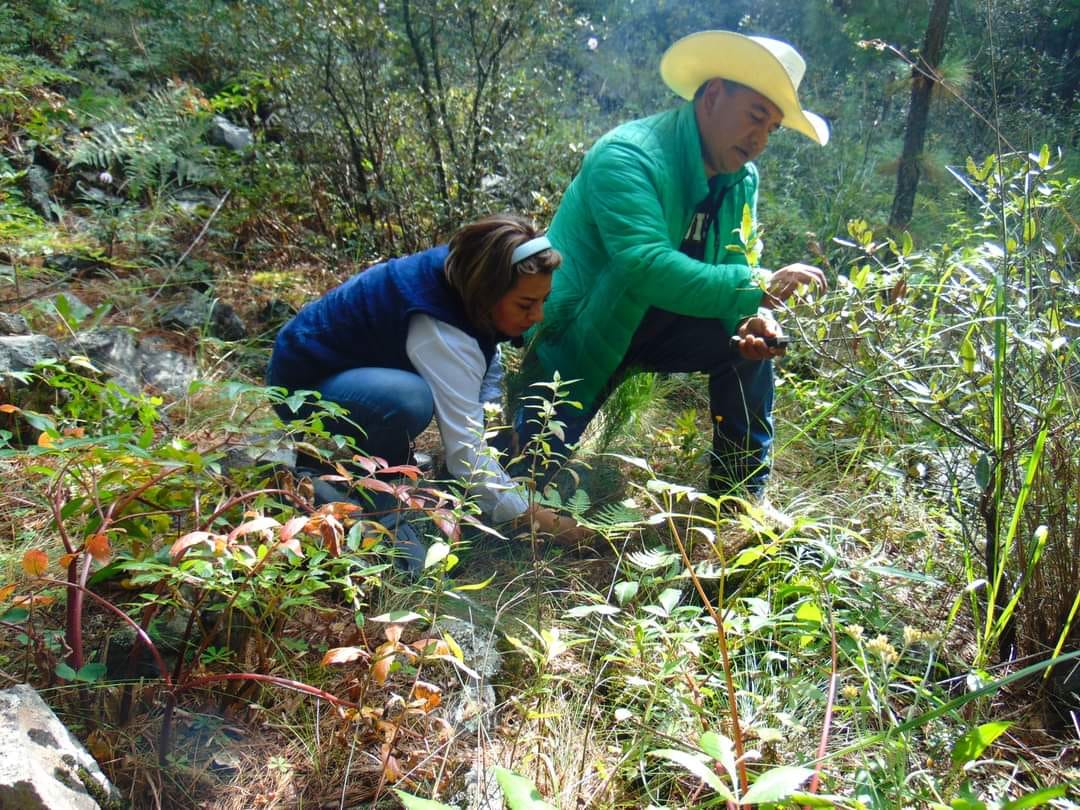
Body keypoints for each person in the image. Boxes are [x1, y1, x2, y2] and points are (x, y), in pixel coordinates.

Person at [515, 30, 830, 500]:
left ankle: (740, 499)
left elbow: (736, 260)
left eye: (772, 129)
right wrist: (758, 285)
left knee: (751, 348)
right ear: (714, 96)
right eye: (755, 117)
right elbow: (643, 265)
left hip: (665, 320)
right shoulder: (628, 156)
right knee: (520, 479)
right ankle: (493, 456)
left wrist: (754, 319)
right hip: (584, 326)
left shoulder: (741, 179)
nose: (760, 139)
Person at [268, 214, 588, 566]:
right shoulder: (441, 326)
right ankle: (385, 510)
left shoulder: (464, 272)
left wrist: (493, 421)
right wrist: (541, 520)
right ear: (487, 294)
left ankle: (378, 468)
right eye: (526, 305)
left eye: (542, 301)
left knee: (408, 396)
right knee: (409, 399)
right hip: (301, 387)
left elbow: (487, 355)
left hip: (344, 369)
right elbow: (465, 452)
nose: (538, 315)